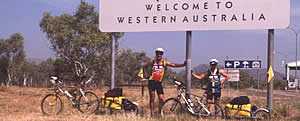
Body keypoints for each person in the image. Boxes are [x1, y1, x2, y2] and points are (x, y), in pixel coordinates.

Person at [143, 48, 186, 117]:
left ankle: (160, 111)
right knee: (152, 98)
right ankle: (152, 114)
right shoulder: (153, 62)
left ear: (162, 55)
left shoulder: (164, 63)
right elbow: (144, 67)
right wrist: (147, 76)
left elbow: (174, 65)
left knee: (162, 99)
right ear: (156, 54)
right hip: (151, 82)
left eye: (160, 53)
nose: (159, 55)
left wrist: (183, 65)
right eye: (158, 53)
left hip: (158, 83)